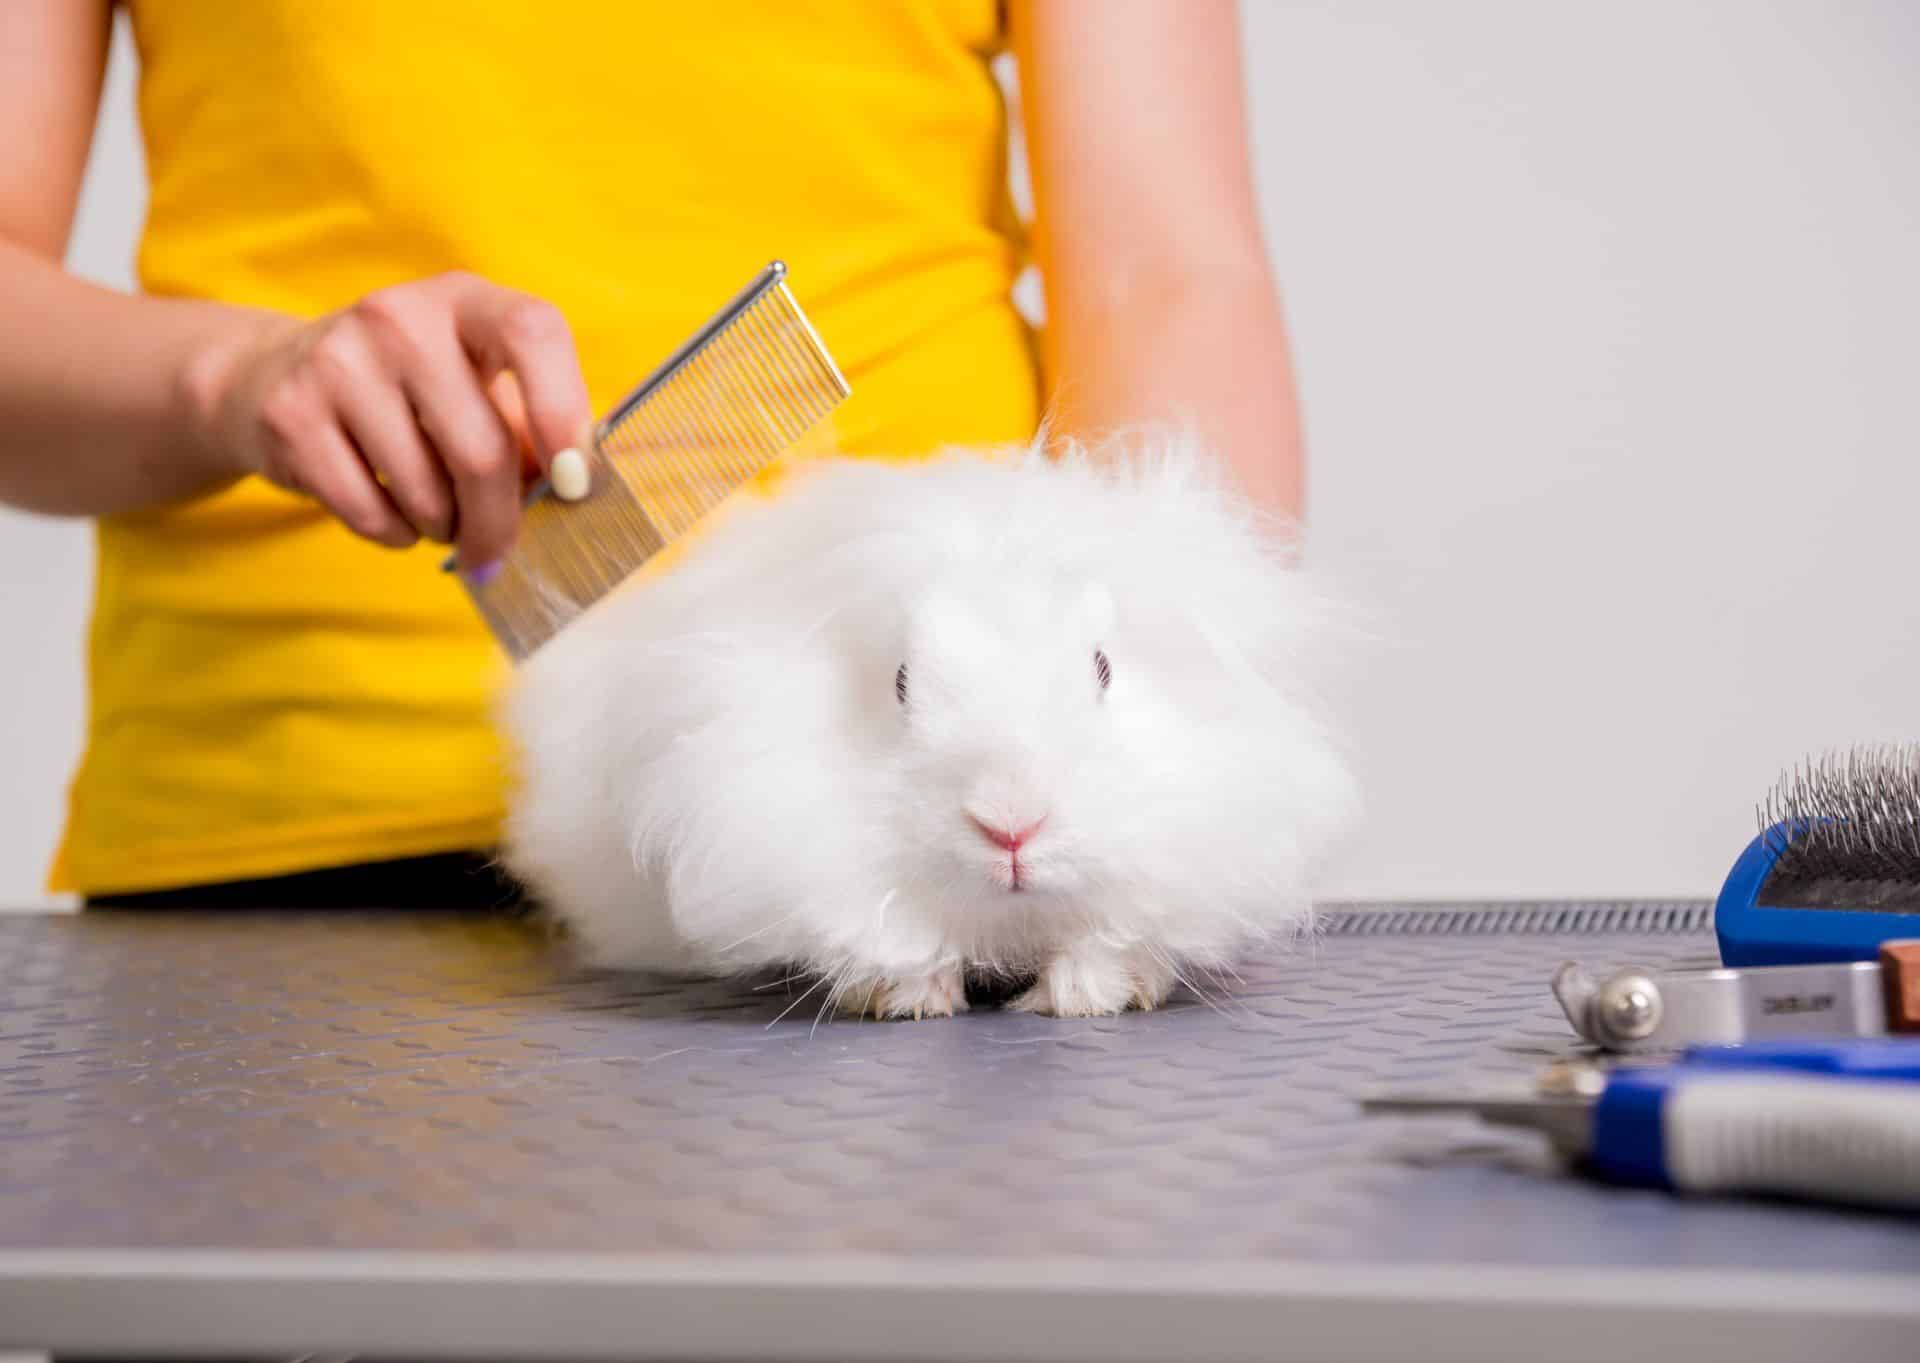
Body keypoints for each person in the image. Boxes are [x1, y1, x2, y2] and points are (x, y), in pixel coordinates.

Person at [0, 0, 1306, 910]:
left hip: (910, 847)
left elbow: (1166, 274)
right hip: (285, 846)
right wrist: (234, 379)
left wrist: (1164, 806)